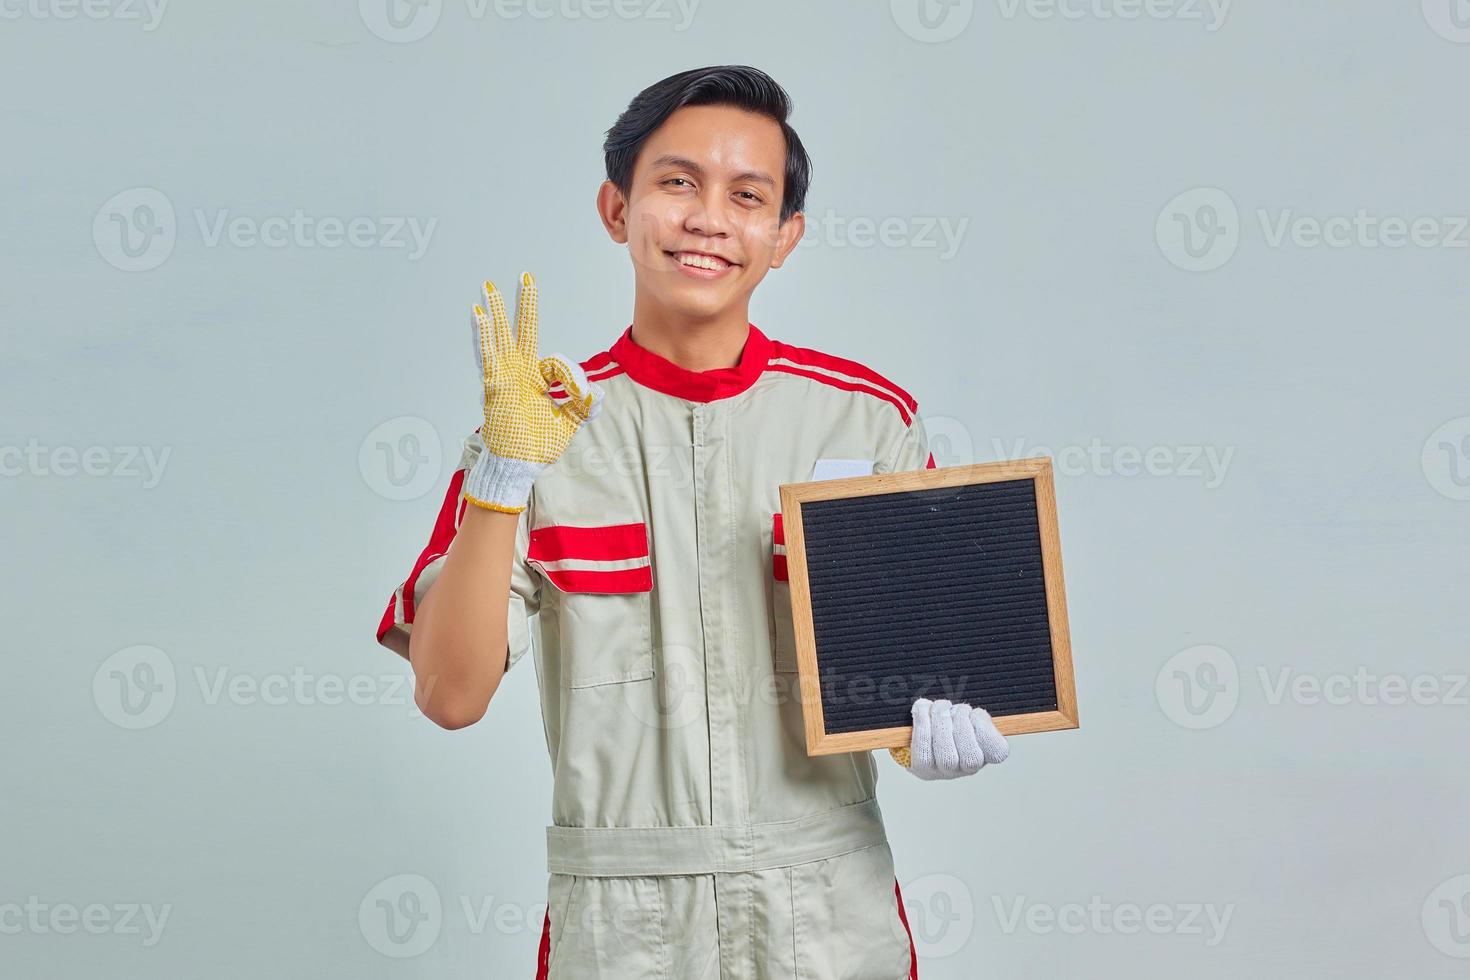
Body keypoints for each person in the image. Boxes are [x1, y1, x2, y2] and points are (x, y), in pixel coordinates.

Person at [375, 65, 1010, 980]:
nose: (709, 218)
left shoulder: (866, 422)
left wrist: (937, 734)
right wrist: (503, 475)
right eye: (677, 183)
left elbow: (919, 670)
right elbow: (450, 695)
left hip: (829, 910)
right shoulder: (535, 428)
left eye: (747, 196)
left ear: (785, 234)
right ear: (615, 208)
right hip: (625, 923)